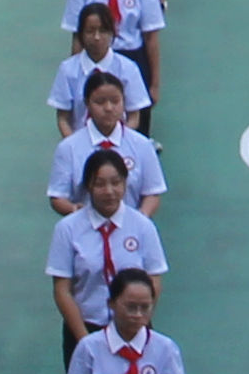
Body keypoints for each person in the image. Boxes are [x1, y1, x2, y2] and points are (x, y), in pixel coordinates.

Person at [46, 148, 165, 349]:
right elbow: (62, 290)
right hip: (85, 329)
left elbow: (154, 279)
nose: (109, 191)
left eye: (116, 183)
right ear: (88, 186)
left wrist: (139, 325)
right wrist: (85, 341)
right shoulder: (67, 229)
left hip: (133, 330)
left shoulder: (143, 226)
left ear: (125, 183)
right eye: (100, 184)